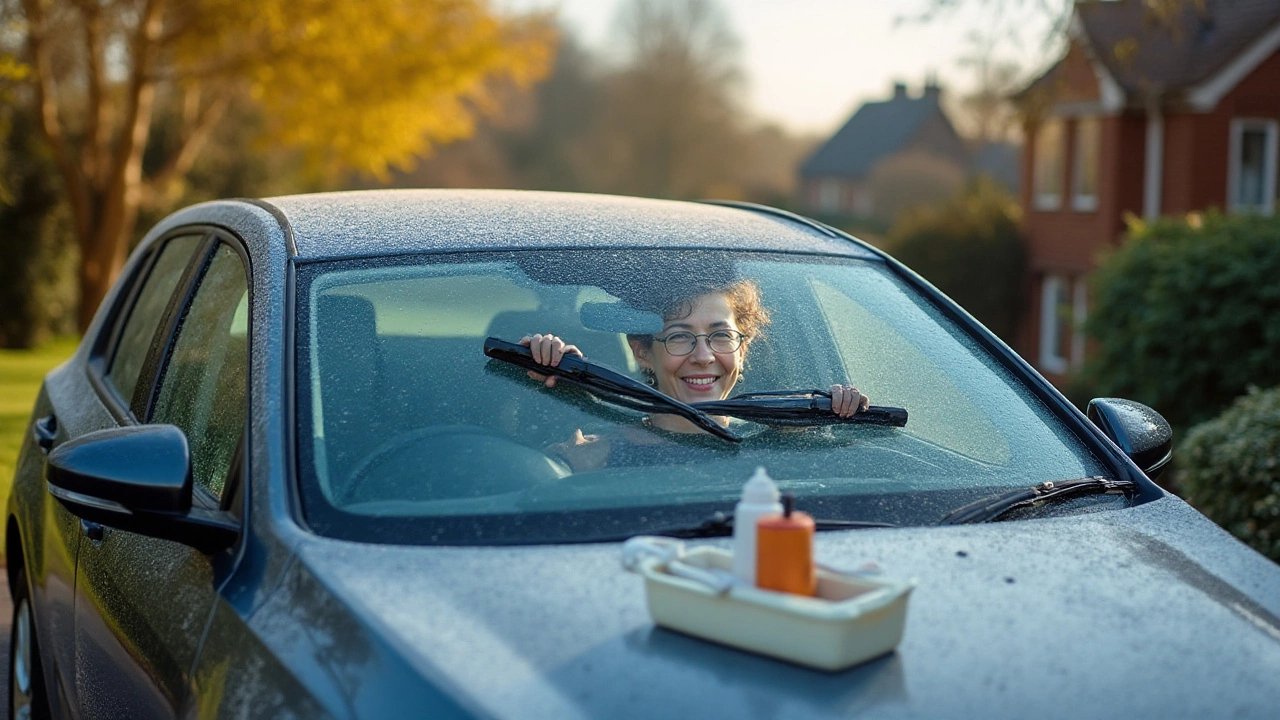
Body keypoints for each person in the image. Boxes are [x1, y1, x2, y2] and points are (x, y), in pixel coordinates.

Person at [520, 280, 870, 471]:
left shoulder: (781, 445)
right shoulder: (595, 458)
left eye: (721, 336)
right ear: (643, 352)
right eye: (679, 337)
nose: (703, 357)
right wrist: (552, 391)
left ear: (742, 349)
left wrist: (834, 420)